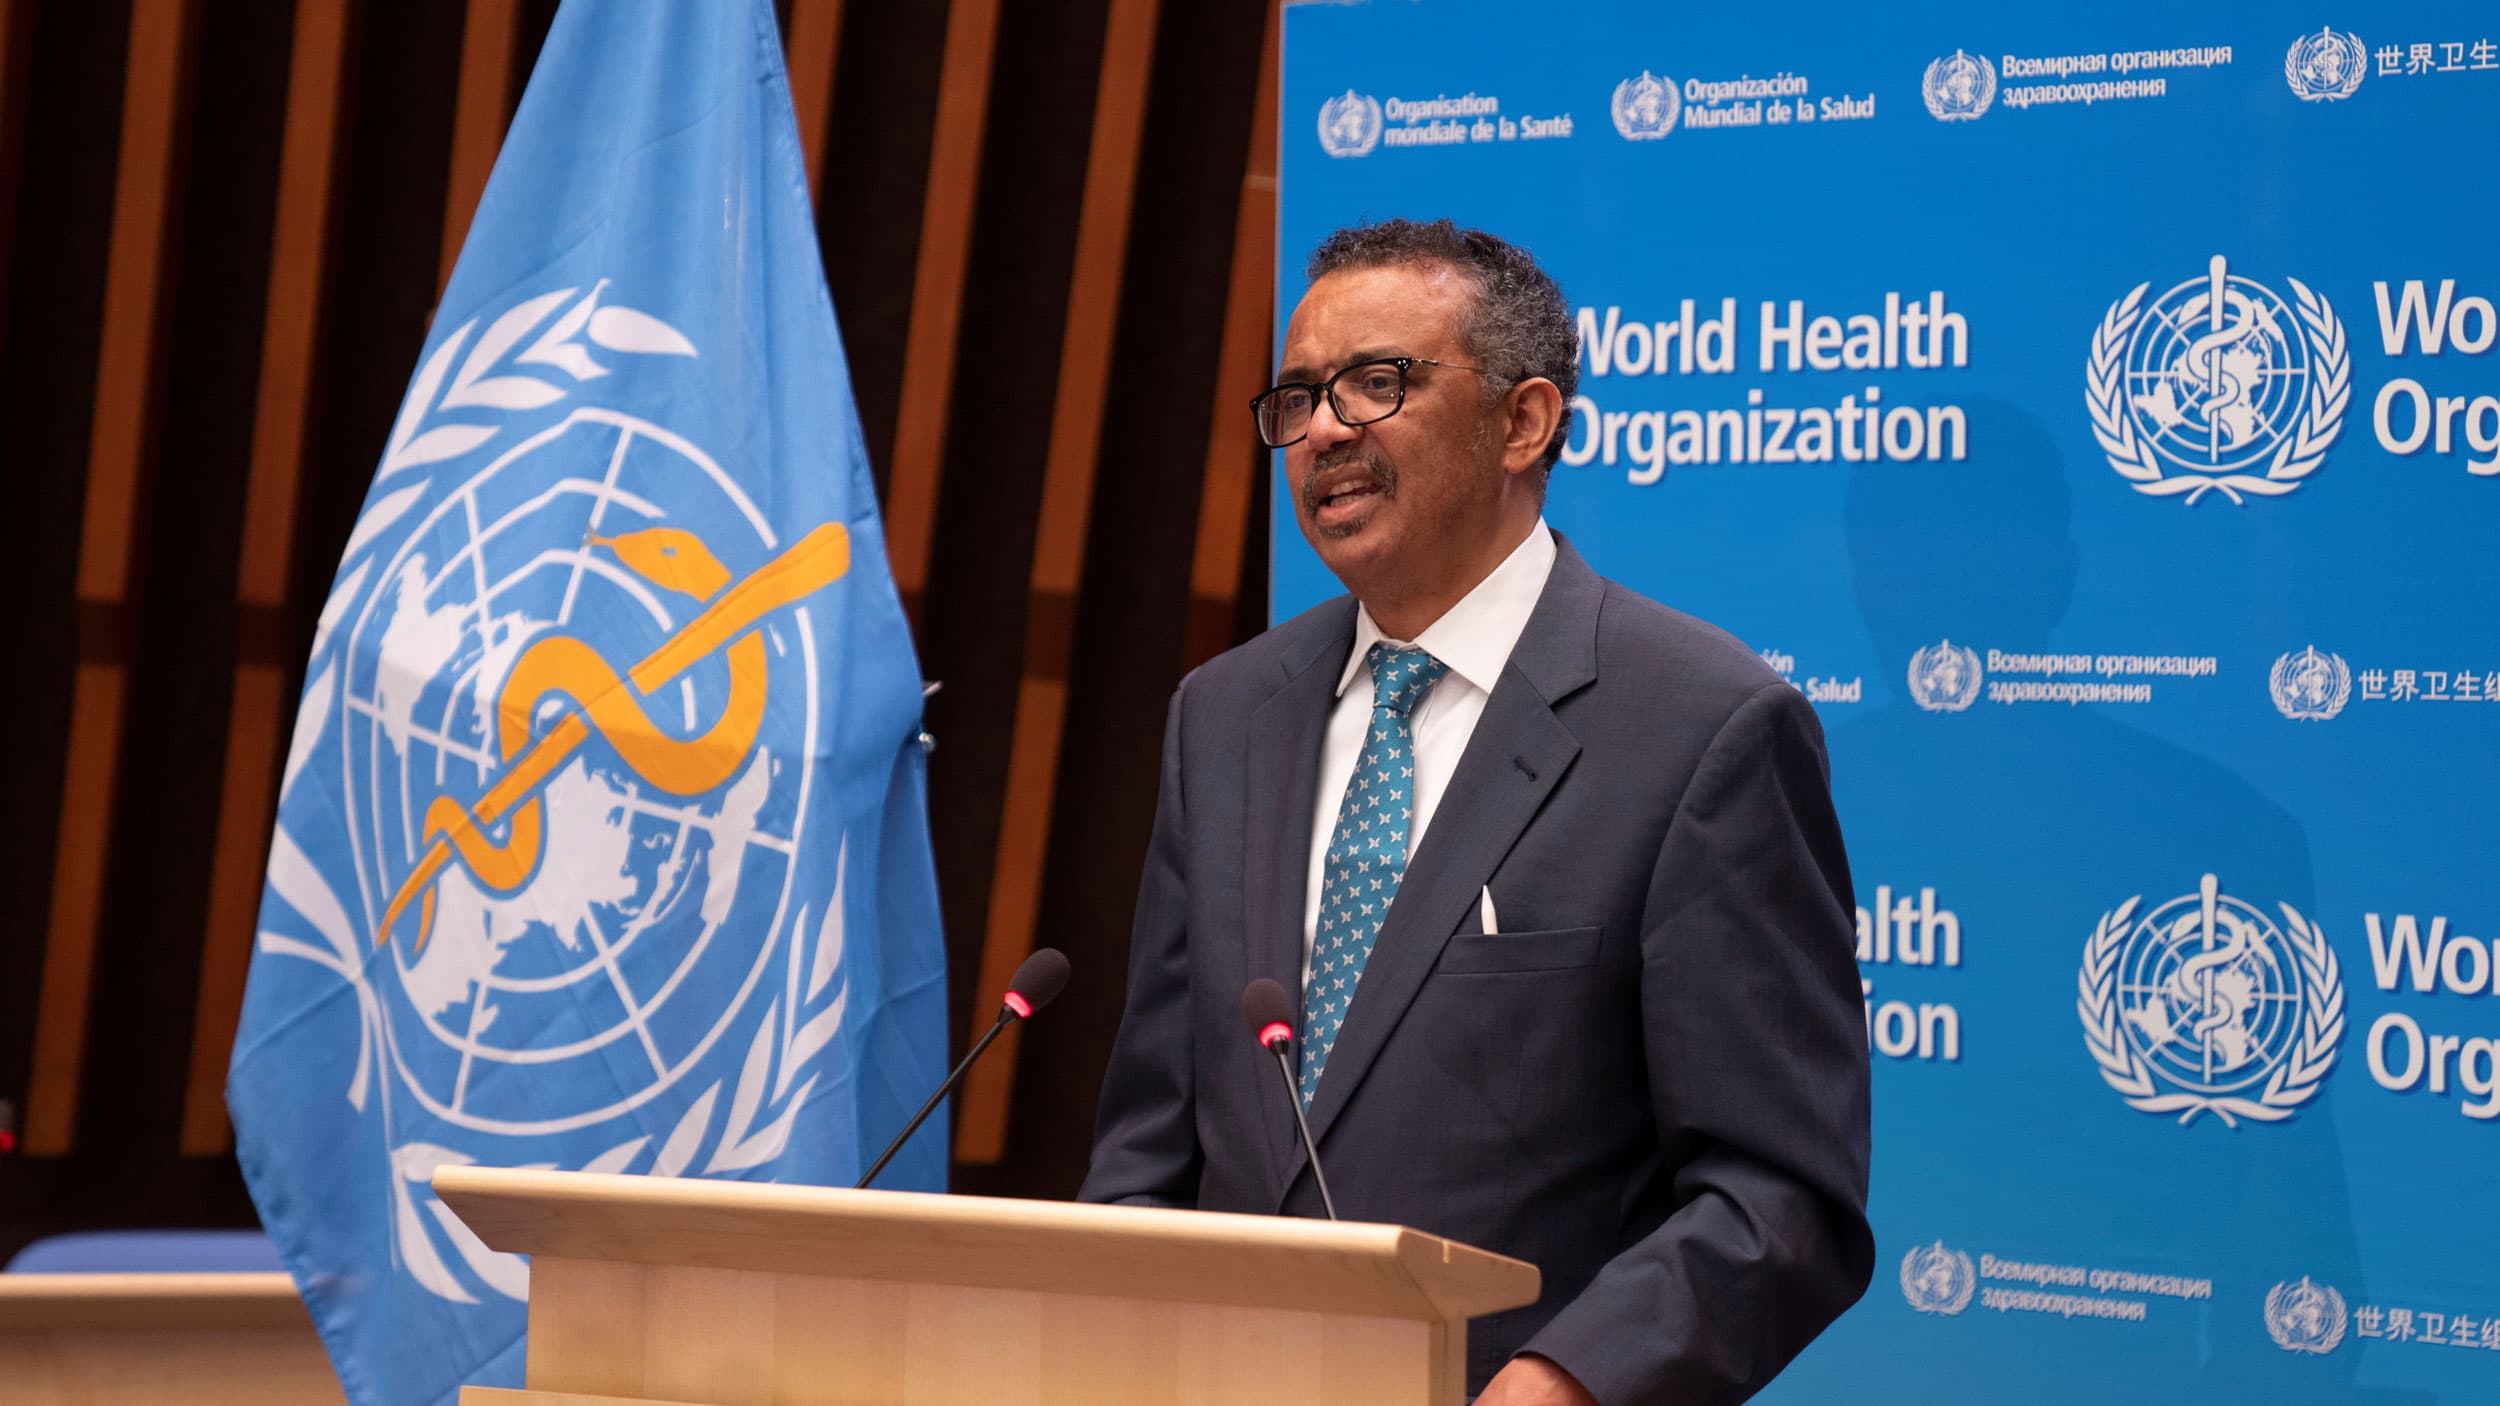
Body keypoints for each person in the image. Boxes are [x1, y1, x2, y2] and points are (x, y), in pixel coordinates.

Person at [1079, 218, 1872, 1404]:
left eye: (1376, 382)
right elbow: (1152, 1139)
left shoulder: (1702, 725)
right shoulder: (1225, 713)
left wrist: (1571, 1375)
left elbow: (1780, 1191)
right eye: (1298, 397)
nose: (1326, 427)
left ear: (1524, 420)